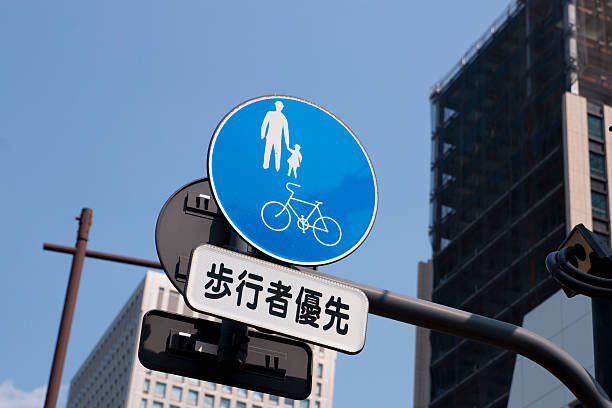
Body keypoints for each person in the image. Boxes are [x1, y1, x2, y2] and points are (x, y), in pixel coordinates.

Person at [261, 101, 290, 171]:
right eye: (277, 105)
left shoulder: (283, 118)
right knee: (268, 151)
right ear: (276, 106)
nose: (278, 107)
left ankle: (277, 168)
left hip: (277, 138)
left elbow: (286, 132)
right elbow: (264, 124)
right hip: (270, 136)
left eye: (279, 106)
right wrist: (262, 135)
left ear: (282, 107)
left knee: (277, 153)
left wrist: (287, 144)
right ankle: (265, 166)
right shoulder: (270, 113)